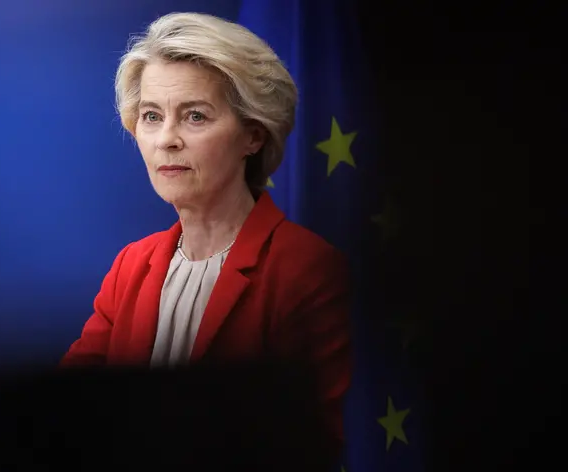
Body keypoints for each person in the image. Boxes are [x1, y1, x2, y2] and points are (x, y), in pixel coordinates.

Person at [59, 12, 352, 453]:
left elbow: (305, 446)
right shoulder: (132, 265)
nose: (166, 139)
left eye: (194, 116)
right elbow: (63, 409)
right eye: (151, 116)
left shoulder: (305, 269)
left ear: (253, 135)